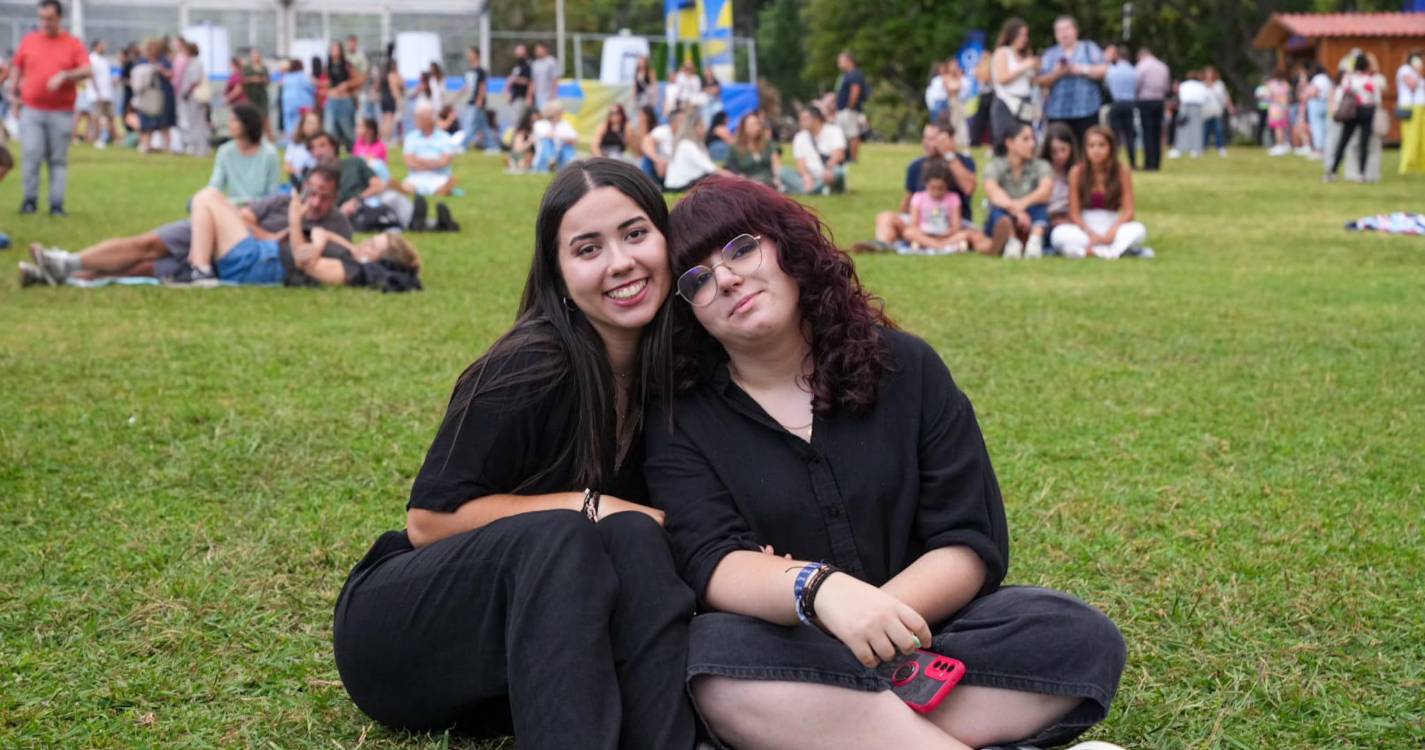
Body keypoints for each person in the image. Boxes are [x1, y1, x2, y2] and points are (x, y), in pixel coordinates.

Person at [650, 175, 1126, 750]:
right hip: (787, 649)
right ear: (688, 313)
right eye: (697, 279)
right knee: (714, 662)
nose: (726, 278)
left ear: (787, 247)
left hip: (925, 640)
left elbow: (967, 541)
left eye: (741, 248)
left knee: (1076, 637)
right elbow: (713, 560)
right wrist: (822, 593)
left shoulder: (905, 367)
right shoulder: (682, 420)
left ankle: (831, 732)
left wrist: (872, 620)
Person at [332, 158, 698, 747]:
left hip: (524, 656)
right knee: (568, 533)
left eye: (635, 234)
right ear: (558, 274)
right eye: (588, 249)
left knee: (634, 537)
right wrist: (589, 504)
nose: (620, 262)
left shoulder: (675, 376)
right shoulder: (532, 364)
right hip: (404, 635)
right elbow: (428, 522)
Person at [22, 165, 352, 286]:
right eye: (312, 193)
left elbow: (312, 260)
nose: (315, 202)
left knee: (148, 268)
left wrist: (294, 232)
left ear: (336, 197)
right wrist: (272, 233)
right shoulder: (283, 201)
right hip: (222, 231)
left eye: (324, 197)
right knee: (145, 245)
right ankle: (66, 264)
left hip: (238, 250)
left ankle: (66, 273)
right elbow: (246, 218)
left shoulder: (336, 224)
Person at [174, 185, 419, 289]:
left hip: (253, 263)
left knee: (205, 197)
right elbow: (324, 237)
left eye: (372, 246)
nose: (364, 244)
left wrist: (295, 221)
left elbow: (304, 262)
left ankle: (200, 271)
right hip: (260, 254)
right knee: (211, 197)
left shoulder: (350, 270)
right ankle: (197, 265)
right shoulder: (353, 258)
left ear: (378, 260)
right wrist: (326, 241)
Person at [12, 0, 90, 216]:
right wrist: (14, 96)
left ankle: (57, 205)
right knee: (31, 154)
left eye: (50, 18)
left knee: (58, 159)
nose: (45, 23)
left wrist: (65, 75)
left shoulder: (72, 43)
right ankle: (29, 201)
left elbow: (86, 70)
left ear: (59, 18)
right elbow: (17, 66)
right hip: (32, 109)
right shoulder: (30, 41)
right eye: (42, 18)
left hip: (61, 111)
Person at [862, 124, 983, 254]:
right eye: (925, 138)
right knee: (885, 217)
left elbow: (969, 188)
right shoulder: (916, 166)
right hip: (922, 223)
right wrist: (900, 223)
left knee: (975, 234)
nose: (926, 142)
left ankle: (930, 244)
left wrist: (949, 156)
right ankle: (883, 245)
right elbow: (909, 199)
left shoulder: (963, 161)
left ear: (947, 140)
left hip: (954, 224)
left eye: (932, 139)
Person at [1051, 126, 1146, 259]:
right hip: (1085, 226)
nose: (1096, 150)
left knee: (1138, 230)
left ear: (1110, 147)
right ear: (1085, 149)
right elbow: (1074, 213)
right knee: (1058, 234)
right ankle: (1113, 250)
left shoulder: (1122, 171)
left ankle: (1096, 251)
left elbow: (1129, 211)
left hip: (1112, 223)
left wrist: (1112, 232)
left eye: (1101, 145)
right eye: (1091, 146)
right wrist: (1090, 233)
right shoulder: (1077, 172)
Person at [984, 122, 1053, 259]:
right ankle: (1011, 241)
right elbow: (993, 193)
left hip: (1031, 217)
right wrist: (1016, 211)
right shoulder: (995, 165)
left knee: (1040, 206)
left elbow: (1046, 191)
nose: (1032, 144)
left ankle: (1035, 241)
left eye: (1033, 139)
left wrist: (1021, 205)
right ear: (1009, 143)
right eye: (1025, 139)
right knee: (997, 209)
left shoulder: (1041, 165)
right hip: (1008, 215)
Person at [1036, 16, 1105, 142]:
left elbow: (1104, 70)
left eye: (1067, 29)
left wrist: (1081, 69)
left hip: (1087, 111)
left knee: (1086, 148)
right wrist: (1057, 73)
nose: (1064, 33)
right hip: (1057, 113)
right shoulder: (1049, 54)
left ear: (1076, 30)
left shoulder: (1089, 48)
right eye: (1059, 30)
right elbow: (1040, 82)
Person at [209, 103, 281, 204]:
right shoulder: (225, 151)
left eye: (234, 120)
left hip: (261, 208)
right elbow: (215, 187)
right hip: (232, 207)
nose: (229, 125)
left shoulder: (269, 153)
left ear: (247, 123)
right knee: (201, 201)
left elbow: (273, 193)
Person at [1326, 55, 1381, 182]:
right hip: (1368, 111)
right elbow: (1377, 99)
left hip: (1352, 111)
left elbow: (1342, 93)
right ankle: (1362, 173)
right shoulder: (1372, 79)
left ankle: (1333, 171)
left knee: (1343, 141)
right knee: (1364, 143)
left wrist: (1336, 109)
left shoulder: (1349, 78)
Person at [900, 160, 972, 254]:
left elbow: (956, 225)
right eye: (933, 188)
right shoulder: (918, 198)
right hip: (925, 233)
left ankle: (934, 245)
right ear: (926, 184)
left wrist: (947, 233)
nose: (936, 192)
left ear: (947, 186)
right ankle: (939, 246)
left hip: (946, 233)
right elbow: (914, 224)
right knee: (908, 233)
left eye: (941, 188)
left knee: (966, 234)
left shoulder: (953, 198)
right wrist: (924, 232)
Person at [990, 18, 1038, 152]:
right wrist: (1023, 66)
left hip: (1025, 101)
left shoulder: (1025, 55)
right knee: (1007, 141)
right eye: (1021, 35)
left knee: (1026, 139)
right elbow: (1002, 78)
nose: (1024, 39)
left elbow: (1031, 82)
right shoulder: (1003, 52)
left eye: (1026, 35)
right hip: (1007, 101)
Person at [781, 107, 847, 195]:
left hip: (829, 172)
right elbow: (800, 162)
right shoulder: (799, 137)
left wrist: (828, 169)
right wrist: (806, 177)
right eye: (801, 119)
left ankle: (807, 190)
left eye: (805, 119)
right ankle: (819, 189)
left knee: (838, 172)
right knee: (783, 172)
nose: (801, 122)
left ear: (816, 119)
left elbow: (838, 154)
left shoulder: (834, 131)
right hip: (810, 177)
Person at [663, 109, 728, 192]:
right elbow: (710, 168)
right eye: (702, 126)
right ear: (693, 128)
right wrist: (735, 177)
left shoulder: (691, 143)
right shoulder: (687, 144)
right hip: (679, 187)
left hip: (684, 184)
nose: (705, 129)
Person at [402, 102, 458, 195]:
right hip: (417, 176)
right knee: (407, 185)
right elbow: (410, 162)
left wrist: (420, 160)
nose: (416, 120)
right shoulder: (411, 137)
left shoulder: (445, 137)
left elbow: (445, 161)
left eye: (420, 118)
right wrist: (434, 162)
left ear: (430, 119)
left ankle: (443, 188)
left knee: (444, 183)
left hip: (439, 176)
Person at [723, 110, 781, 188]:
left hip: (770, 182)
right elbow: (731, 171)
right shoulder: (735, 148)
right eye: (751, 125)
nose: (755, 128)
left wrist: (777, 179)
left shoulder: (768, 143)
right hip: (748, 185)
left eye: (757, 124)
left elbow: (776, 164)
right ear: (743, 128)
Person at [1134, 46, 1169, 170]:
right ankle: (1157, 162)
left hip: (1146, 101)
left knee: (1147, 133)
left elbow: (1136, 83)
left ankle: (1149, 163)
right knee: (1157, 132)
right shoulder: (1162, 66)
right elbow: (1166, 86)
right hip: (1159, 101)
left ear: (1141, 55)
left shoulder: (1142, 66)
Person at [1103, 44, 1137, 169]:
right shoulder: (1133, 70)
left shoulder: (1112, 70)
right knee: (1130, 135)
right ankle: (1132, 162)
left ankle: (1113, 161)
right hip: (1129, 104)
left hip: (1116, 103)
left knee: (1115, 136)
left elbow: (1107, 86)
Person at [1039, 121, 1078, 228]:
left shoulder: (1076, 171)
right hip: (1047, 219)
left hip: (1070, 219)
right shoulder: (1042, 171)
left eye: (1063, 150)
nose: (1060, 156)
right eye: (1054, 152)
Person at [325, 39, 360, 150]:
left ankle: (355, 151)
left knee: (348, 131)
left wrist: (347, 84)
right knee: (329, 129)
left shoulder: (346, 65)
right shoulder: (327, 65)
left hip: (344, 100)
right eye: (332, 48)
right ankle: (333, 153)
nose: (334, 51)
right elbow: (326, 82)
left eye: (336, 48)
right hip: (331, 100)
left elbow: (359, 79)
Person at [176, 40, 209, 156]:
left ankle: (201, 149)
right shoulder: (191, 63)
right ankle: (195, 147)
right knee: (193, 122)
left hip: (195, 98)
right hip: (191, 98)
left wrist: (186, 92)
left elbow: (194, 81)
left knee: (197, 122)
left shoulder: (195, 64)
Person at [833, 51, 867, 162]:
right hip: (842, 110)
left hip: (849, 111)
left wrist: (850, 107)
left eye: (840, 61)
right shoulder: (845, 75)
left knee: (852, 135)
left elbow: (855, 92)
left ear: (848, 61)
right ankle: (844, 157)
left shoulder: (855, 75)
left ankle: (853, 158)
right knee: (842, 135)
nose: (839, 64)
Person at [460, 46, 494, 152]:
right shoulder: (469, 71)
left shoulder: (480, 71)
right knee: (483, 126)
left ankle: (463, 145)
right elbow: (467, 86)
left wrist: (479, 100)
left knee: (470, 124)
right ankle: (492, 146)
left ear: (476, 55)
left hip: (476, 102)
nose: (468, 55)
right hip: (470, 101)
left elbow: (483, 86)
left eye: (470, 53)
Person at [1396, 51, 1424, 176]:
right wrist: (1418, 71)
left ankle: (1420, 165)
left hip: (1421, 107)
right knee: (1411, 137)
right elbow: (1412, 85)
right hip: (1411, 107)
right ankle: (1407, 166)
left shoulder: (1418, 73)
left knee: (1421, 138)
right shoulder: (1405, 70)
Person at [532, 101, 579, 173]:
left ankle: (570, 164)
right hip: (543, 157)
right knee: (547, 141)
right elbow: (547, 135)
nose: (562, 114)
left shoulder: (565, 124)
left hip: (560, 154)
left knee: (567, 146)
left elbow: (575, 139)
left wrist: (560, 138)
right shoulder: (540, 124)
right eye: (559, 112)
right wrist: (564, 138)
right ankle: (550, 160)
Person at [1170, 70, 1207, 159]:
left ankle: (1180, 149)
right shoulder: (1201, 86)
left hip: (1185, 106)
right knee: (1196, 129)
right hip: (1197, 107)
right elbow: (1204, 98)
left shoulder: (1184, 85)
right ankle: (1196, 149)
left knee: (1182, 129)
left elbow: (1181, 96)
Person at [87, 39, 115, 147]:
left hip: (108, 93)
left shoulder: (104, 60)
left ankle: (110, 138)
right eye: (101, 45)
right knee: (97, 117)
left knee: (110, 117)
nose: (104, 47)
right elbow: (91, 76)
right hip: (97, 95)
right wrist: (97, 92)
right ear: (96, 47)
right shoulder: (92, 59)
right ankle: (98, 138)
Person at [241, 47, 273, 142]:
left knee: (264, 118)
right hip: (251, 97)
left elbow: (268, 81)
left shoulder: (264, 68)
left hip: (262, 97)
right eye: (253, 55)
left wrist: (262, 80)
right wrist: (252, 79)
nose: (255, 57)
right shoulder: (246, 68)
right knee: (251, 118)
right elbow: (242, 80)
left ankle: (270, 139)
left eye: (257, 55)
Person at [642, 106, 678, 185]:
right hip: (664, 168)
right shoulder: (662, 131)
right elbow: (646, 142)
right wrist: (657, 160)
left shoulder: (687, 134)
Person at [280, 58, 315, 139]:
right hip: (302, 103)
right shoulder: (303, 76)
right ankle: (302, 139)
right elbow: (311, 88)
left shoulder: (287, 77)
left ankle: (290, 140)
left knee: (289, 123)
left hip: (288, 104)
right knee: (303, 122)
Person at [284, 110, 322, 185]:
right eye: (309, 123)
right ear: (302, 125)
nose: (313, 126)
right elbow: (287, 166)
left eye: (315, 123)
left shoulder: (323, 144)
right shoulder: (294, 144)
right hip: (298, 181)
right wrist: (299, 171)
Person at [378, 46, 402, 144]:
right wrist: (398, 100)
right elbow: (394, 88)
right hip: (390, 99)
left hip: (383, 98)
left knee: (385, 120)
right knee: (389, 121)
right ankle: (386, 140)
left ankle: (382, 139)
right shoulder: (392, 75)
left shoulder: (383, 75)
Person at [507, 43, 534, 124]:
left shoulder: (528, 65)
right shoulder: (517, 65)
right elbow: (511, 80)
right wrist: (508, 92)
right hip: (515, 97)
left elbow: (530, 81)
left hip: (522, 97)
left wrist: (529, 96)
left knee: (517, 121)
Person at [1266, 70, 1291, 156]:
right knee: (1281, 128)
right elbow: (1287, 97)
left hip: (1275, 107)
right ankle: (1283, 144)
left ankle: (1279, 145)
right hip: (1283, 107)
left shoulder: (1272, 84)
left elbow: (1269, 95)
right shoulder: (1286, 84)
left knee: (1278, 128)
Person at [506, 108, 537, 174]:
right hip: (519, 155)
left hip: (525, 156)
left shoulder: (532, 131)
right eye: (532, 121)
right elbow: (518, 149)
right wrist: (530, 141)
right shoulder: (521, 132)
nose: (534, 123)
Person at [531, 41, 560, 112]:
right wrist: (531, 94)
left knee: (547, 113)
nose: (537, 51)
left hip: (548, 95)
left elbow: (555, 78)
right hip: (538, 95)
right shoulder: (535, 64)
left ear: (545, 49)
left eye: (539, 49)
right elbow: (533, 80)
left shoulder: (551, 61)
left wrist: (553, 93)